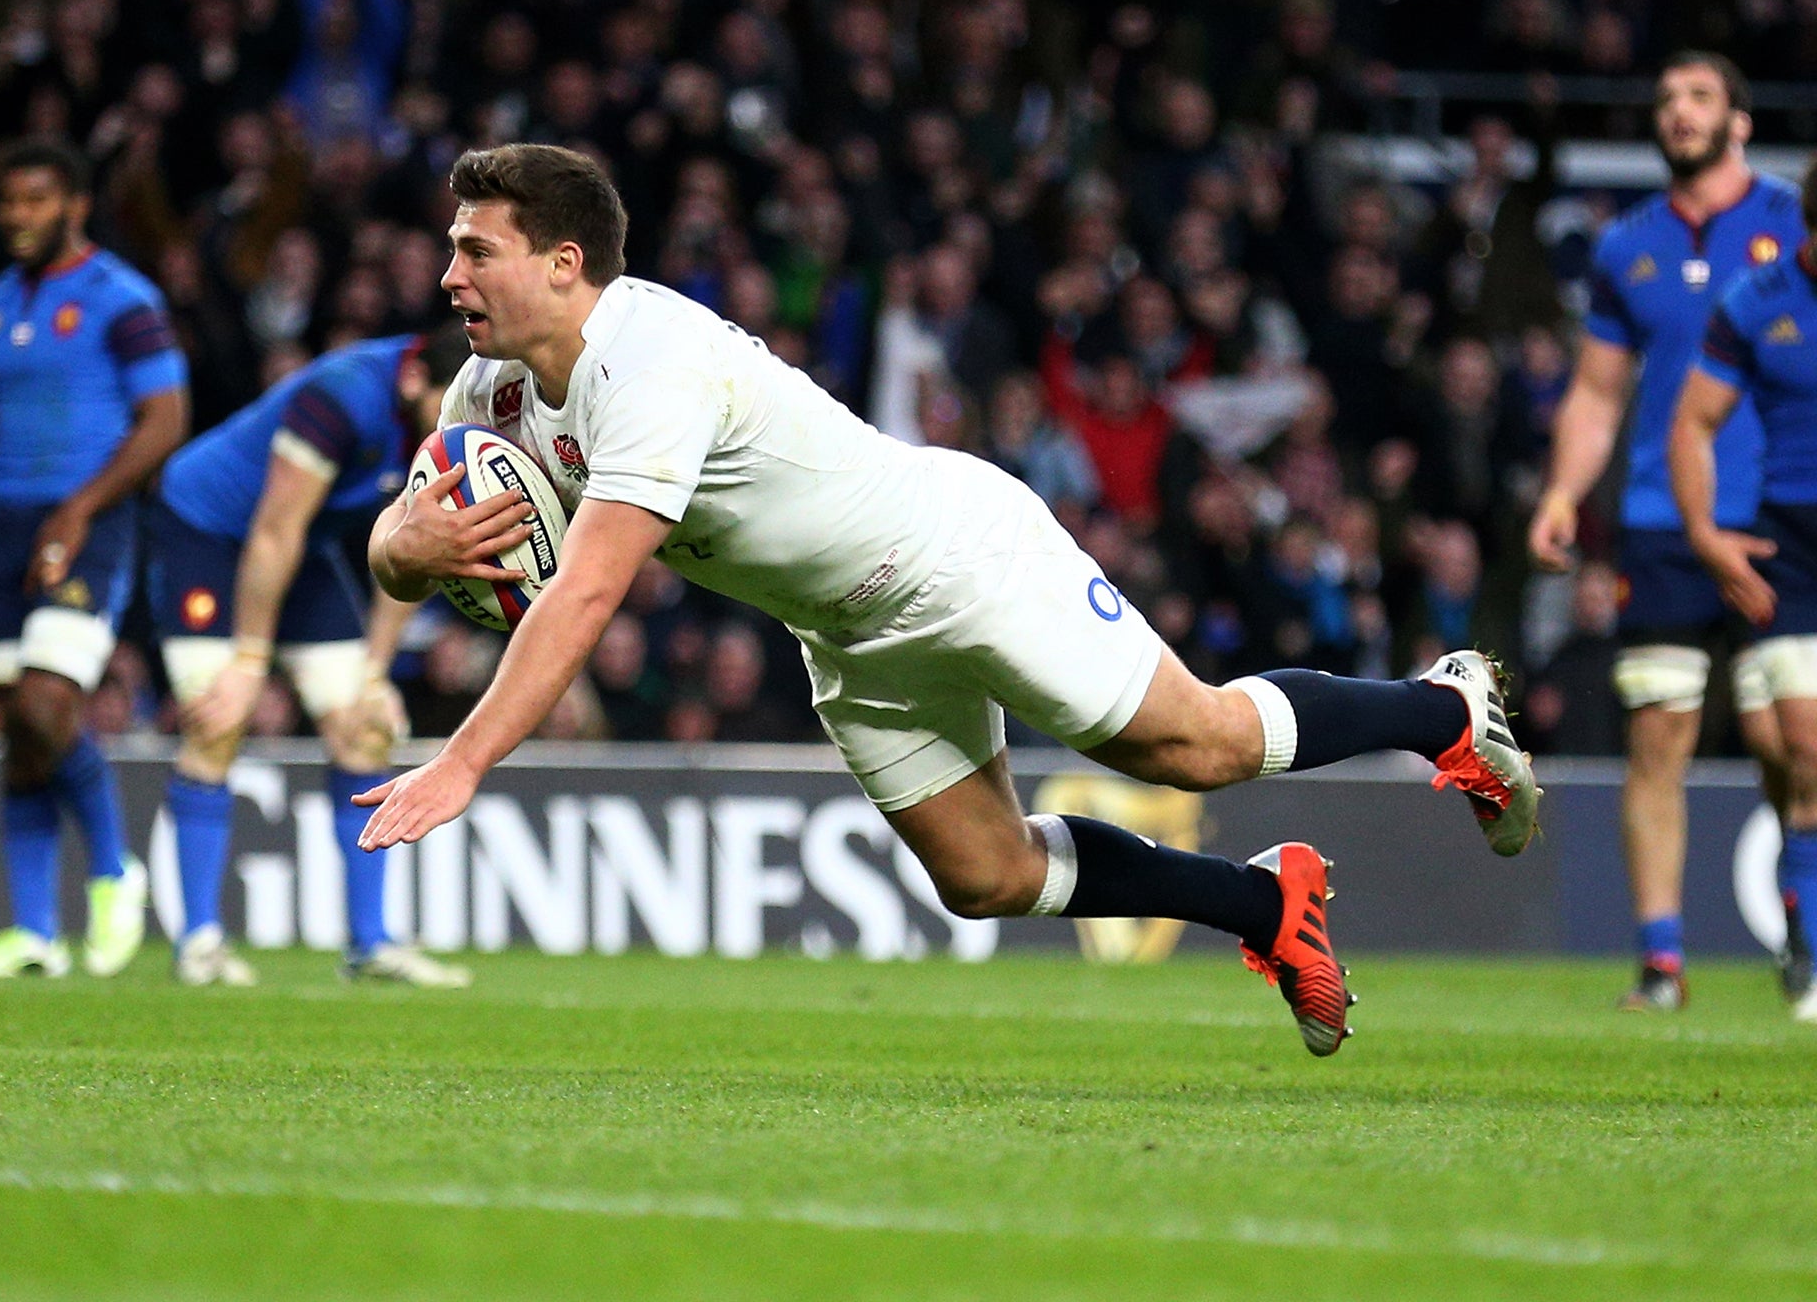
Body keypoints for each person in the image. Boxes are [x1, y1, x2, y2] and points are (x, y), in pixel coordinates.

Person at [359, 145, 1545, 1059]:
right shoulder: (495, 386)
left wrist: (460, 764)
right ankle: (1263, 903)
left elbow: (586, 593)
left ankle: (1437, 712)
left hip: (956, 560)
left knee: (1201, 746)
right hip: (847, 630)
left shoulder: (647, 362)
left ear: (564, 264)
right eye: (452, 249)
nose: (449, 273)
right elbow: (402, 535)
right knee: (983, 878)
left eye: (475, 249)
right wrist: (405, 551)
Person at [1527, 52, 1804, 1011]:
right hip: (1657, 522)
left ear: (1739, 120)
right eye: (1665, 100)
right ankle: (1661, 963)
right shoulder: (1626, 246)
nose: (1678, 114)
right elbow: (1599, 393)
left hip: (1777, 516)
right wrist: (1566, 491)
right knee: (1659, 734)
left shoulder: (1793, 221)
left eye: (1698, 98)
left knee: (1787, 739)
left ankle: (1803, 928)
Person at [146, 327, 483, 986]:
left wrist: (377, 672)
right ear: (415, 382)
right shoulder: (342, 398)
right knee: (217, 721)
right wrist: (249, 662)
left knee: (365, 724)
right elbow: (273, 531)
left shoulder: (458, 417)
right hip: (209, 534)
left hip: (302, 547)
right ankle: (200, 944)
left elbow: (419, 553)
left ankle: (370, 944)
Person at [0, 140, 189, 980]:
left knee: (48, 707)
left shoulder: (122, 299)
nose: (18, 216)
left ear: (74, 205)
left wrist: (81, 508)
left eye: (36, 200)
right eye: (8, 202)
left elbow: (163, 418)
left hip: (90, 522)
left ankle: (116, 872)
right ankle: (34, 935)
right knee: (18, 728)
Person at [1669, 156, 1817, 1018]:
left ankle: (1807, 951)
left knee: (1806, 751)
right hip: (1788, 544)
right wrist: (1706, 537)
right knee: (1790, 747)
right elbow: (1694, 420)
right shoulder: (1757, 302)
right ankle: (1803, 927)